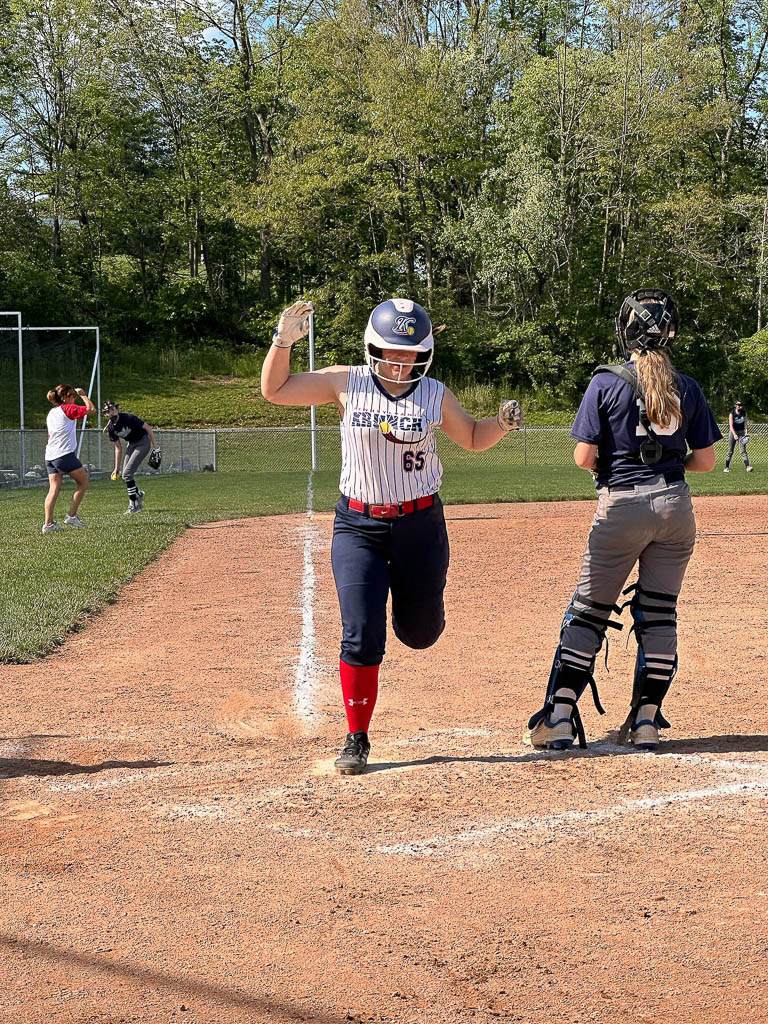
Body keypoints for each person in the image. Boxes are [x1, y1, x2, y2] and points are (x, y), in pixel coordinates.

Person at [261, 297, 523, 775]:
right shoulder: (346, 382)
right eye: (391, 351)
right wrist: (284, 341)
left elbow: (471, 437)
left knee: (419, 634)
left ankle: (424, 613)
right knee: (361, 634)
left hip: (420, 526)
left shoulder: (434, 394)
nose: (400, 362)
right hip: (358, 526)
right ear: (371, 348)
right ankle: (356, 737)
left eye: (409, 353)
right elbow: (274, 389)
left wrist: (501, 425)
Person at [525, 288, 721, 753]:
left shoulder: (606, 382)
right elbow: (708, 462)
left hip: (622, 505)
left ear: (626, 332)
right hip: (676, 508)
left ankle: (558, 717)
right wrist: (671, 467)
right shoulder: (687, 387)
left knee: (589, 611)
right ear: (671, 333)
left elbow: (582, 457)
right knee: (658, 612)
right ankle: (648, 720)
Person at [43, 384, 96, 533]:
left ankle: (48, 524)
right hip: (64, 454)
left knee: (53, 489)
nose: (74, 397)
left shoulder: (52, 412)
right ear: (65, 398)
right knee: (83, 481)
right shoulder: (68, 408)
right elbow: (91, 410)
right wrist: (83, 395)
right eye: (72, 395)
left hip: (50, 455)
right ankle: (71, 516)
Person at [103, 401, 161, 514]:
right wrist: (116, 468)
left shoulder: (128, 418)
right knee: (125, 475)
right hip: (131, 445)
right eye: (109, 411)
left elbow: (147, 427)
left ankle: (133, 505)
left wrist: (155, 446)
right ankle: (139, 495)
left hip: (143, 443)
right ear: (106, 415)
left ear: (118, 410)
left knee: (127, 474)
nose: (112, 412)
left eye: (113, 409)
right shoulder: (111, 428)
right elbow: (118, 448)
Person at [723, 399, 753, 473]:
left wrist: (746, 433)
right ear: (735, 406)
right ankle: (726, 467)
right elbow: (731, 426)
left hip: (741, 432)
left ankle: (748, 467)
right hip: (733, 432)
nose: (740, 406)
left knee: (743, 450)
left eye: (741, 405)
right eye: (738, 405)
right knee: (730, 451)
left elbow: (745, 423)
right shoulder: (732, 413)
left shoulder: (744, 413)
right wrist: (734, 434)